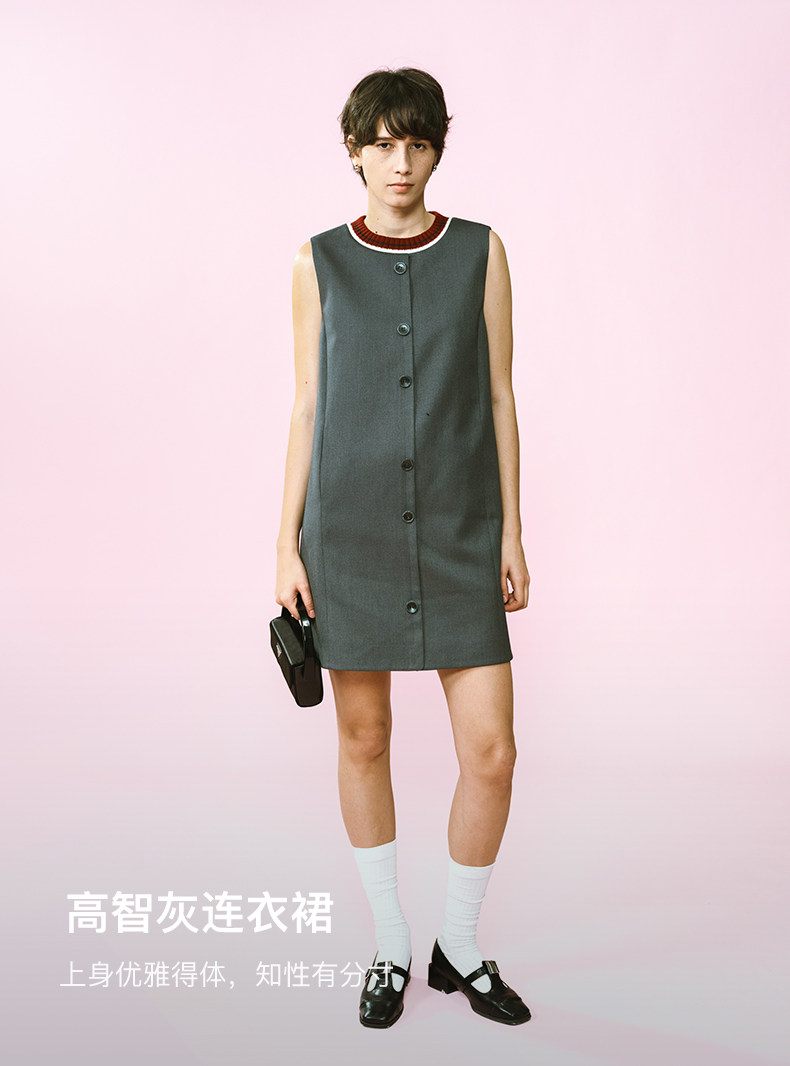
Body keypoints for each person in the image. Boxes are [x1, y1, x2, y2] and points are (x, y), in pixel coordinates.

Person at [275, 67, 531, 1028]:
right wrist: (285, 544)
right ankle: (390, 944)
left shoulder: (481, 252)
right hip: (349, 532)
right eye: (382, 144)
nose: (400, 162)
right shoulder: (316, 262)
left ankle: (458, 946)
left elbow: (500, 396)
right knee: (365, 737)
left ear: (436, 151)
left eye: (417, 144)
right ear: (354, 151)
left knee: (493, 752)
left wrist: (511, 529)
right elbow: (306, 407)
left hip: (462, 530)